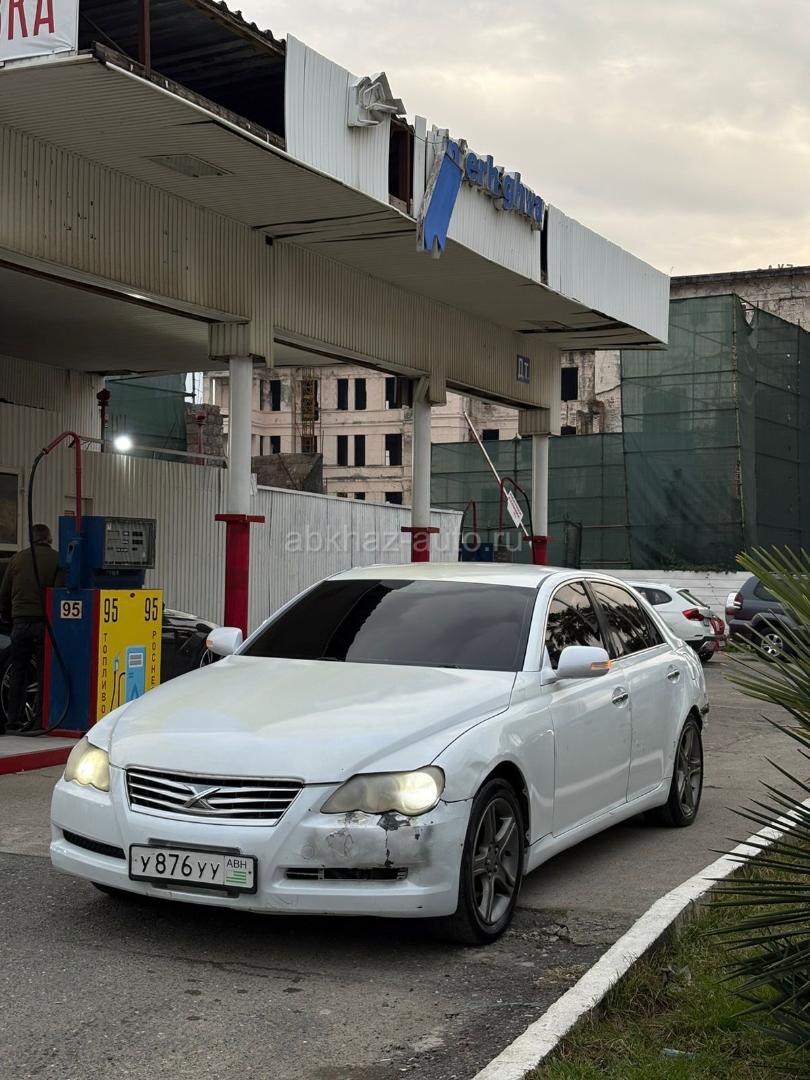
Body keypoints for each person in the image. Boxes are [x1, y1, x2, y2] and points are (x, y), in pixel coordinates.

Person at [0, 524, 63, 734]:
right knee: (45, 673)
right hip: (43, 623)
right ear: (49, 538)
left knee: (18, 671)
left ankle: (13, 721)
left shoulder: (17, 559)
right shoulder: (57, 559)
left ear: (31, 539)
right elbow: (59, 594)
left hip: (19, 623)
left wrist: (8, 617)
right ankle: (39, 721)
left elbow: (5, 592)